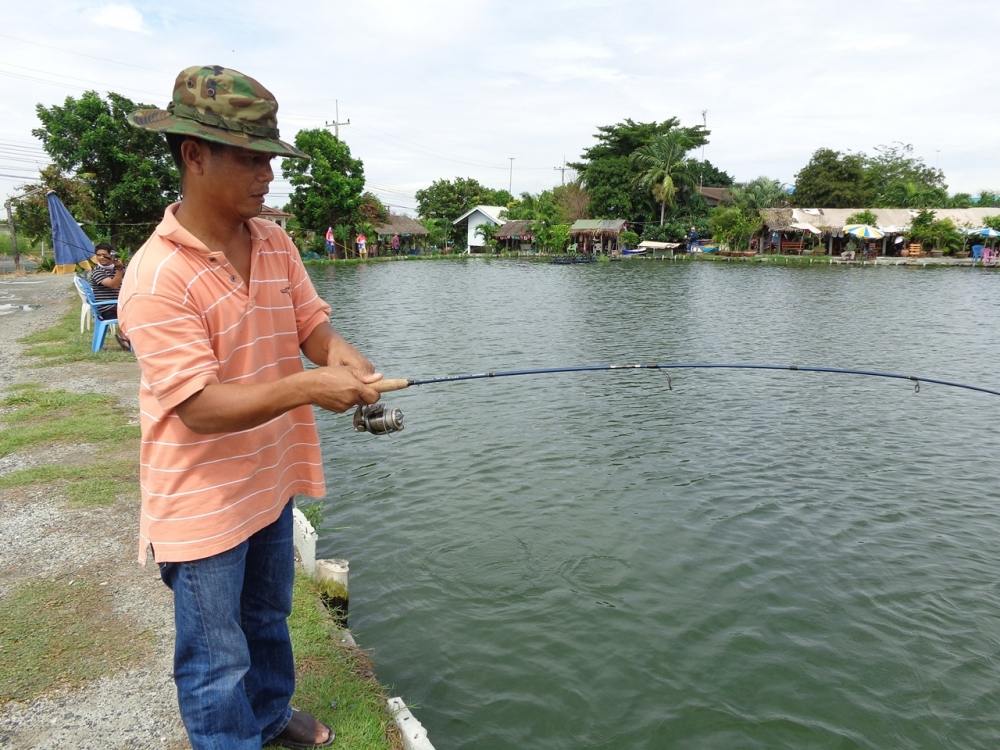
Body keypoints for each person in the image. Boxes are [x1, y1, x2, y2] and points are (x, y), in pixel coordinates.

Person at [119, 65, 383, 750]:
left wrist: (340, 355)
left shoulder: (273, 241)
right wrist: (308, 386)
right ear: (194, 154)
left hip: (266, 479)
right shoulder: (157, 275)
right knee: (215, 658)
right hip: (201, 498)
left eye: (269, 157)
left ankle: (268, 719)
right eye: (249, 158)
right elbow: (199, 409)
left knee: (267, 617)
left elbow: (310, 323)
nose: (267, 174)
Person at [89, 242, 132, 350]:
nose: (101, 257)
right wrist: (118, 270)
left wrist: (122, 267)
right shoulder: (97, 272)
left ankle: (126, 336)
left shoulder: (116, 268)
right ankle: (126, 337)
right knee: (136, 312)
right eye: (98, 255)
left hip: (117, 305)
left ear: (111, 255)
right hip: (107, 308)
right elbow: (114, 285)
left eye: (104, 255)